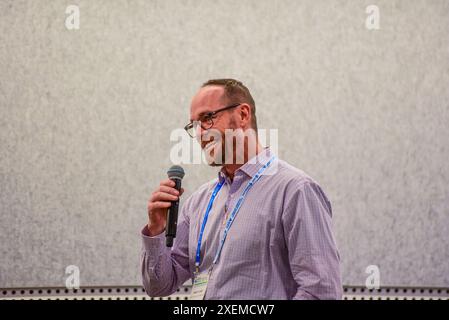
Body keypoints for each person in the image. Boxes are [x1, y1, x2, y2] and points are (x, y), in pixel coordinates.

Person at [140, 78, 342, 299]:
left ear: (243, 115)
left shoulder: (295, 190)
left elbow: (322, 292)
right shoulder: (198, 202)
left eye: (207, 118)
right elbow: (158, 287)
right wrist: (156, 228)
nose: (199, 134)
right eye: (194, 125)